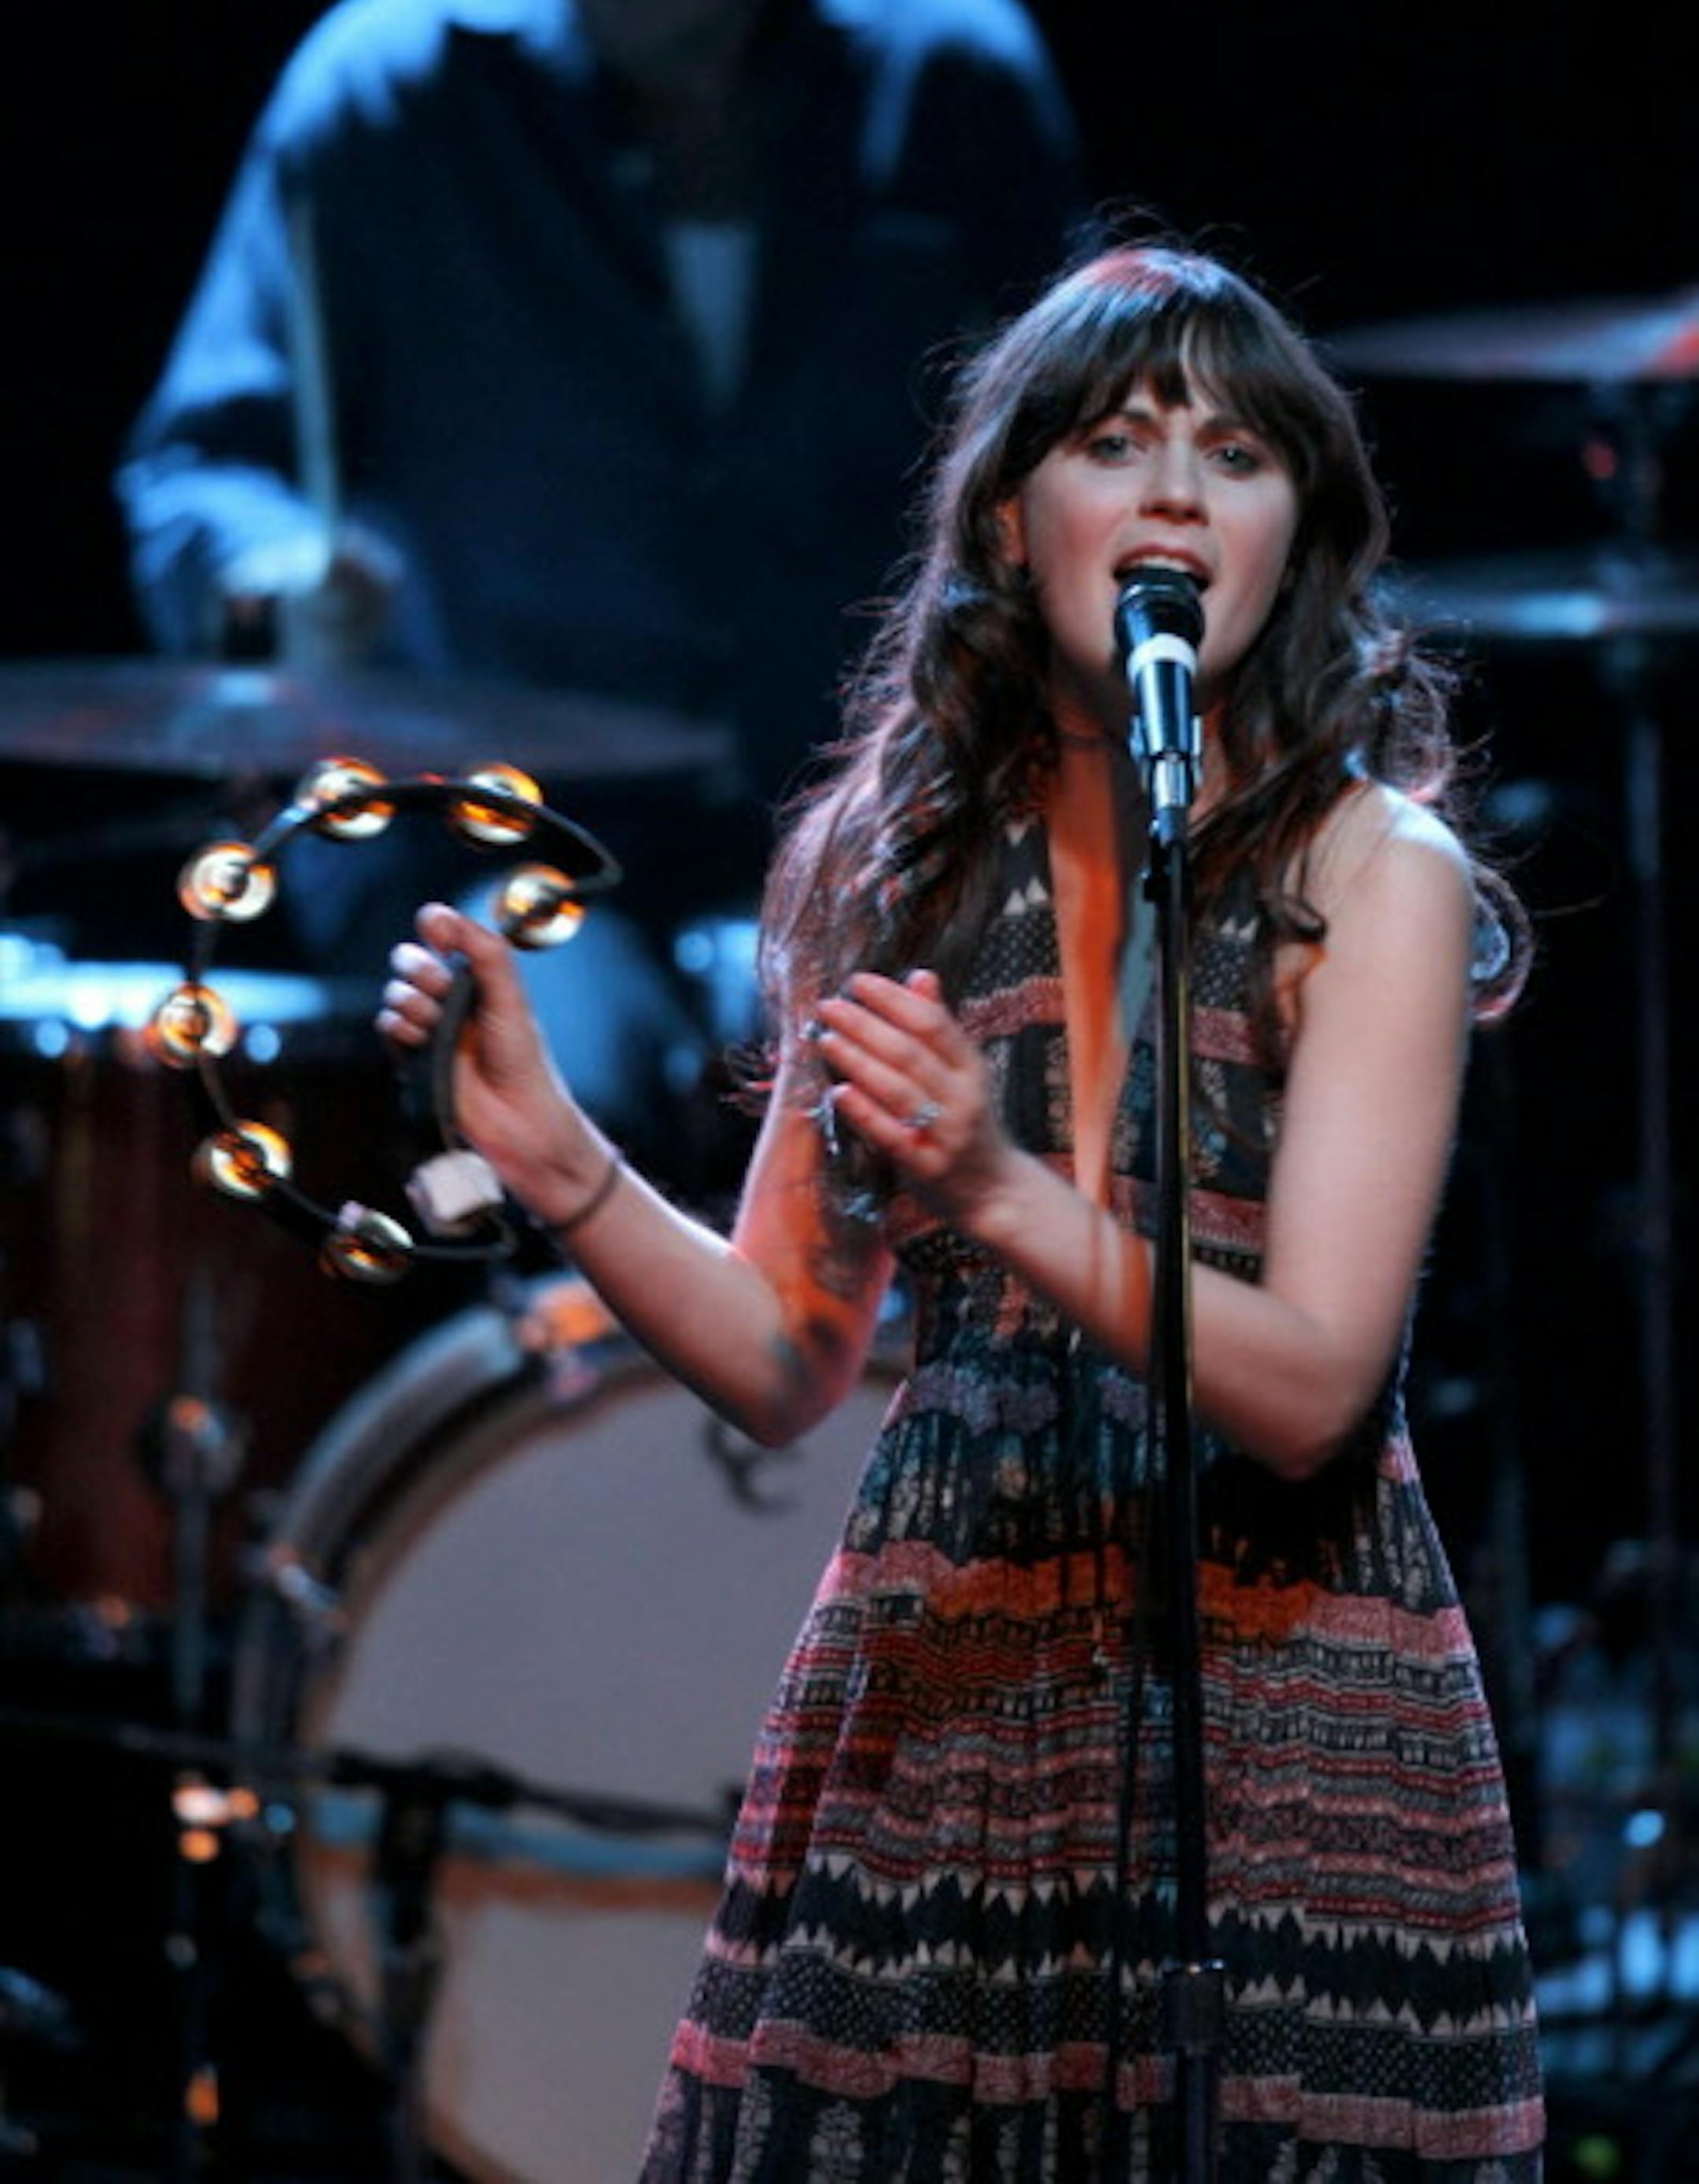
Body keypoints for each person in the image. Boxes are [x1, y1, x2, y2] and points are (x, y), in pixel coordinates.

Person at [379, 243, 1545, 2178]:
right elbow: (779, 1353)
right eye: (1119, 438)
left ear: (1297, 535)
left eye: (1240, 454)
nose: (1179, 489)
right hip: (942, 1705)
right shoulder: (895, 863)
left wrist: (994, 1185)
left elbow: (1315, 1382)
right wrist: (559, 1158)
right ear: (1015, 519)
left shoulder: (1375, 867)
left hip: (1291, 1719)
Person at [116, 0, 1082, 1146]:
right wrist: (283, 577)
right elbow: (199, 465)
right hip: (499, 839)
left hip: (874, 820)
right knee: (583, 1077)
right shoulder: (382, 97)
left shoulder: (957, 79)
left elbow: (1076, 457)